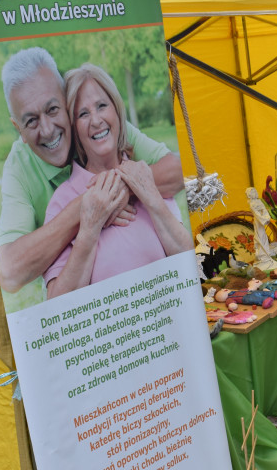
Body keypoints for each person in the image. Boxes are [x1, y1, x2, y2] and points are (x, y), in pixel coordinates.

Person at [0, 47, 183, 295]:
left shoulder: (102, 127)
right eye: (31, 121)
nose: (48, 130)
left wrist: (119, 189)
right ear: (18, 128)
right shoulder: (19, 169)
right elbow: (9, 273)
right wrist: (85, 209)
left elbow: (178, 170)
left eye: (52, 109)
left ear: (64, 101)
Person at [44, 64, 190, 297]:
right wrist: (90, 227)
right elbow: (57, 306)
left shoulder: (143, 173)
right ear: (74, 128)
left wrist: (150, 197)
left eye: (102, 106)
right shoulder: (64, 199)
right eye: (83, 114)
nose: (96, 120)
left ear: (116, 111)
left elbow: (188, 262)